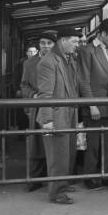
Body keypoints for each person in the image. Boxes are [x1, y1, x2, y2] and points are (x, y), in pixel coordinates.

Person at [36, 28, 87, 204]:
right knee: (57, 157)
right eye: (74, 41)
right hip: (56, 116)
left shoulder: (68, 58)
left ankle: (62, 185)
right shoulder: (48, 62)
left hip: (68, 114)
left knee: (67, 155)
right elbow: (45, 94)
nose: (77, 45)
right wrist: (47, 121)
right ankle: (57, 193)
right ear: (63, 41)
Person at [77, 18, 108, 190]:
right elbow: (84, 80)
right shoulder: (86, 51)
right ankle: (90, 176)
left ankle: (107, 174)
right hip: (95, 105)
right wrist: (92, 105)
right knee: (93, 144)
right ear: (102, 34)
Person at [20, 31, 57, 192]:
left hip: (55, 106)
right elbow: (23, 85)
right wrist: (33, 95)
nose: (46, 46)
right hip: (37, 106)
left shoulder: (61, 60)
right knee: (36, 143)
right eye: (43, 43)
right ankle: (34, 178)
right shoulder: (29, 64)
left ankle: (56, 179)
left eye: (49, 43)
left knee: (54, 142)